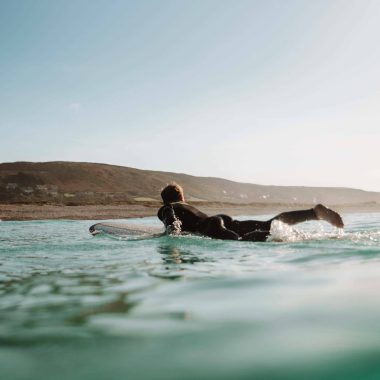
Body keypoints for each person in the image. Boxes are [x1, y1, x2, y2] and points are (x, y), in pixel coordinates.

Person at [157, 182, 344, 242]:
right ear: (183, 197)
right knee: (269, 224)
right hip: (221, 218)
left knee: (239, 242)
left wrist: (170, 236)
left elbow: (172, 223)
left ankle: (271, 237)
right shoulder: (185, 205)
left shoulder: (167, 207)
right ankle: (313, 213)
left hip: (210, 226)